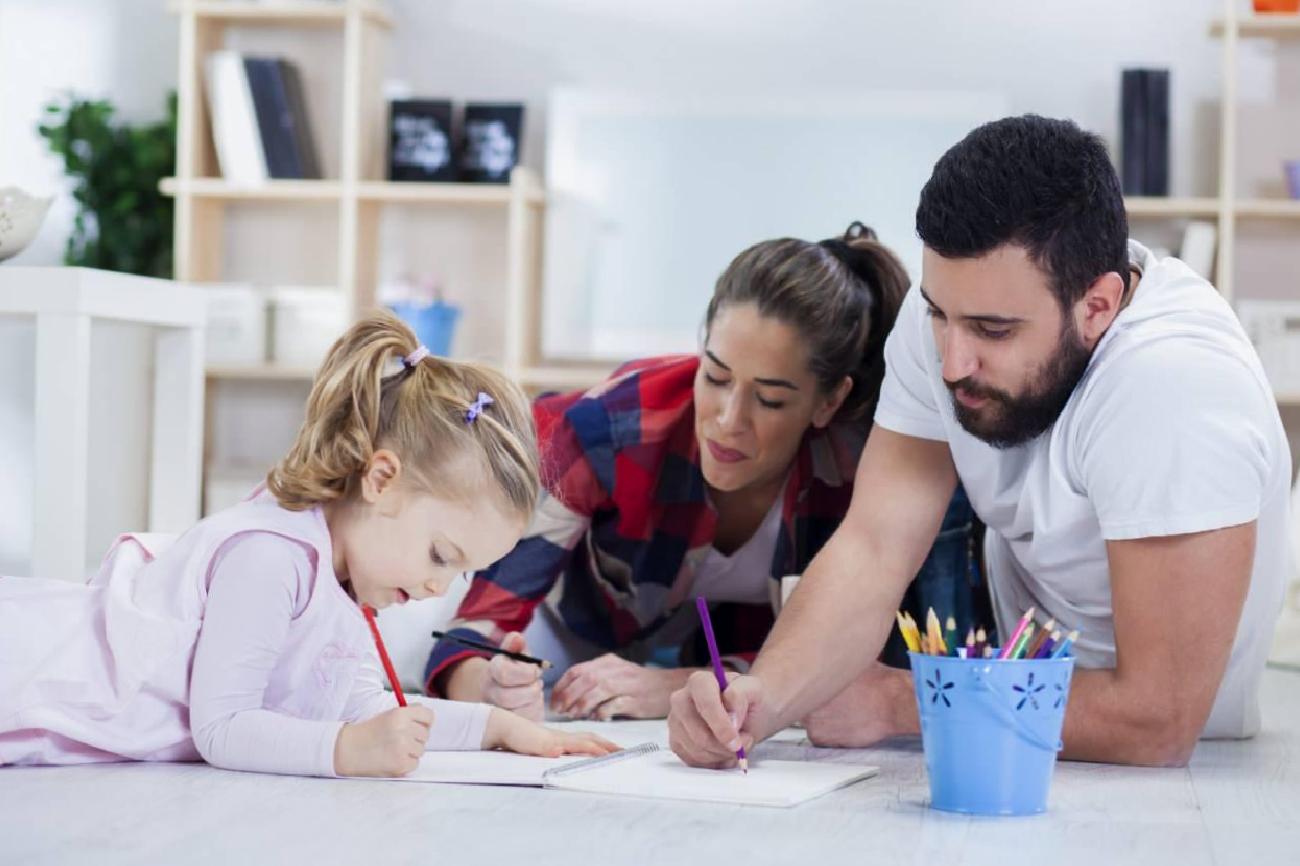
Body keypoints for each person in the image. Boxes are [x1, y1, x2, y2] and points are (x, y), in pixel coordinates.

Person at [667, 114, 1290, 768]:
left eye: (993, 330)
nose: (952, 362)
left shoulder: (1174, 387)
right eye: (940, 315)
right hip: (997, 717)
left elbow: (1155, 720)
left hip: (1176, 773)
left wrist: (901, 703)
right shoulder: (949, 314)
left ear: (1097, 307)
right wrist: (759, 702)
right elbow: (875, 544)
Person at [0, 312, 616, 776]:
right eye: (439, 556)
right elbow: (223, 727)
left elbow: (363, 706)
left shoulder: (346, 588)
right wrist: (347, 752)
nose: (437, 588)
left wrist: (502, 729)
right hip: (35, 675)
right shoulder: (273, 556)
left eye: (458, 574)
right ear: (381, 480)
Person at [427, 224, 986, 722]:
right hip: (571, 626)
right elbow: (473, 632)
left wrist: (675, 686)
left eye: (769, 401)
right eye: (715, 377)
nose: (727, 421)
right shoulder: (610, 427)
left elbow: (833, 659)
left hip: (713, 657)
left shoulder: (855, 470)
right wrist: (490, 684)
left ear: (827, 403)